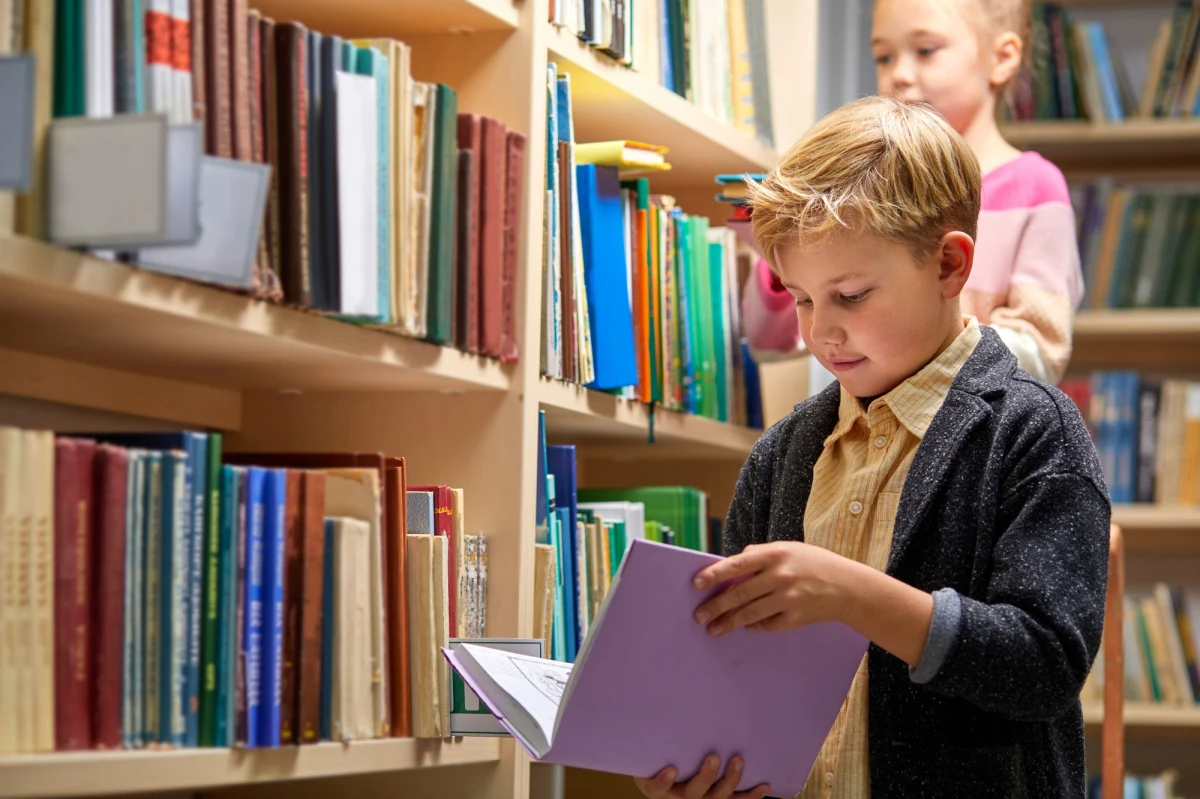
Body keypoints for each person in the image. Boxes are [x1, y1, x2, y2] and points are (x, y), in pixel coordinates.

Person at [633, 96, 1110, 799]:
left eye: (851, 295)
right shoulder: (781, 456)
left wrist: (854, 596)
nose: (819, 333)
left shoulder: (1034, 432)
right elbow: (731, 675)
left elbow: (1044, 663)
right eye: (801, 298)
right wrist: (696, 765)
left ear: (950, 265)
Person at [741, 0, 1082, 385]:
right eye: (884, 57)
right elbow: (767, 345)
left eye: (925, 51)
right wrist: (780, 265)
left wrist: (923, 343)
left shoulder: (1036, 186)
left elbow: (1041, 353)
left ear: (1002, 58)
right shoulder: (858, 190)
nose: (899, 75)